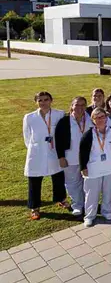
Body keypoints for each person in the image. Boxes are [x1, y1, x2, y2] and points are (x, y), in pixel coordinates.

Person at [24, 92, 68, 221]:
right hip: (37, 152)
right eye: (40, 100)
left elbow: (63, 132)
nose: (43, 102)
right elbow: (27, 137)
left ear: (51, 100)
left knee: (58, 176)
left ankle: (61, 199)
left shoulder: (59, 114)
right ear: (36, 102)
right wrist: (35, 148)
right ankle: (35, 207)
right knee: (34, 180)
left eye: (46, 99)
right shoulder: (29, 117)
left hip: (54, 151)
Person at [79, 108, 111, 227]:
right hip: (93, 168)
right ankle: (89, 216)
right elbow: (82, 152)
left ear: (106, 118)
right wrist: (83, 167)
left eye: (102, 117)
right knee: (91, 194)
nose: (100, 119)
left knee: (108, 191)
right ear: (93, 120)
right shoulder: (88, 134)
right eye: (97, 117)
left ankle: (106, 211)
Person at [55, 96, 90, 217]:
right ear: (72, 106)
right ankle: (77, 205)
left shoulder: (91, 118)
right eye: (77, 105)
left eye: (83, 105)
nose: (80, 108)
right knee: (72, 183)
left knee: (88, 182)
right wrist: (61, 157)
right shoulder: (64, 121)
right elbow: (58, 141)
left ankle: (88, 204)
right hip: (70, 158)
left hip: (89, 158)